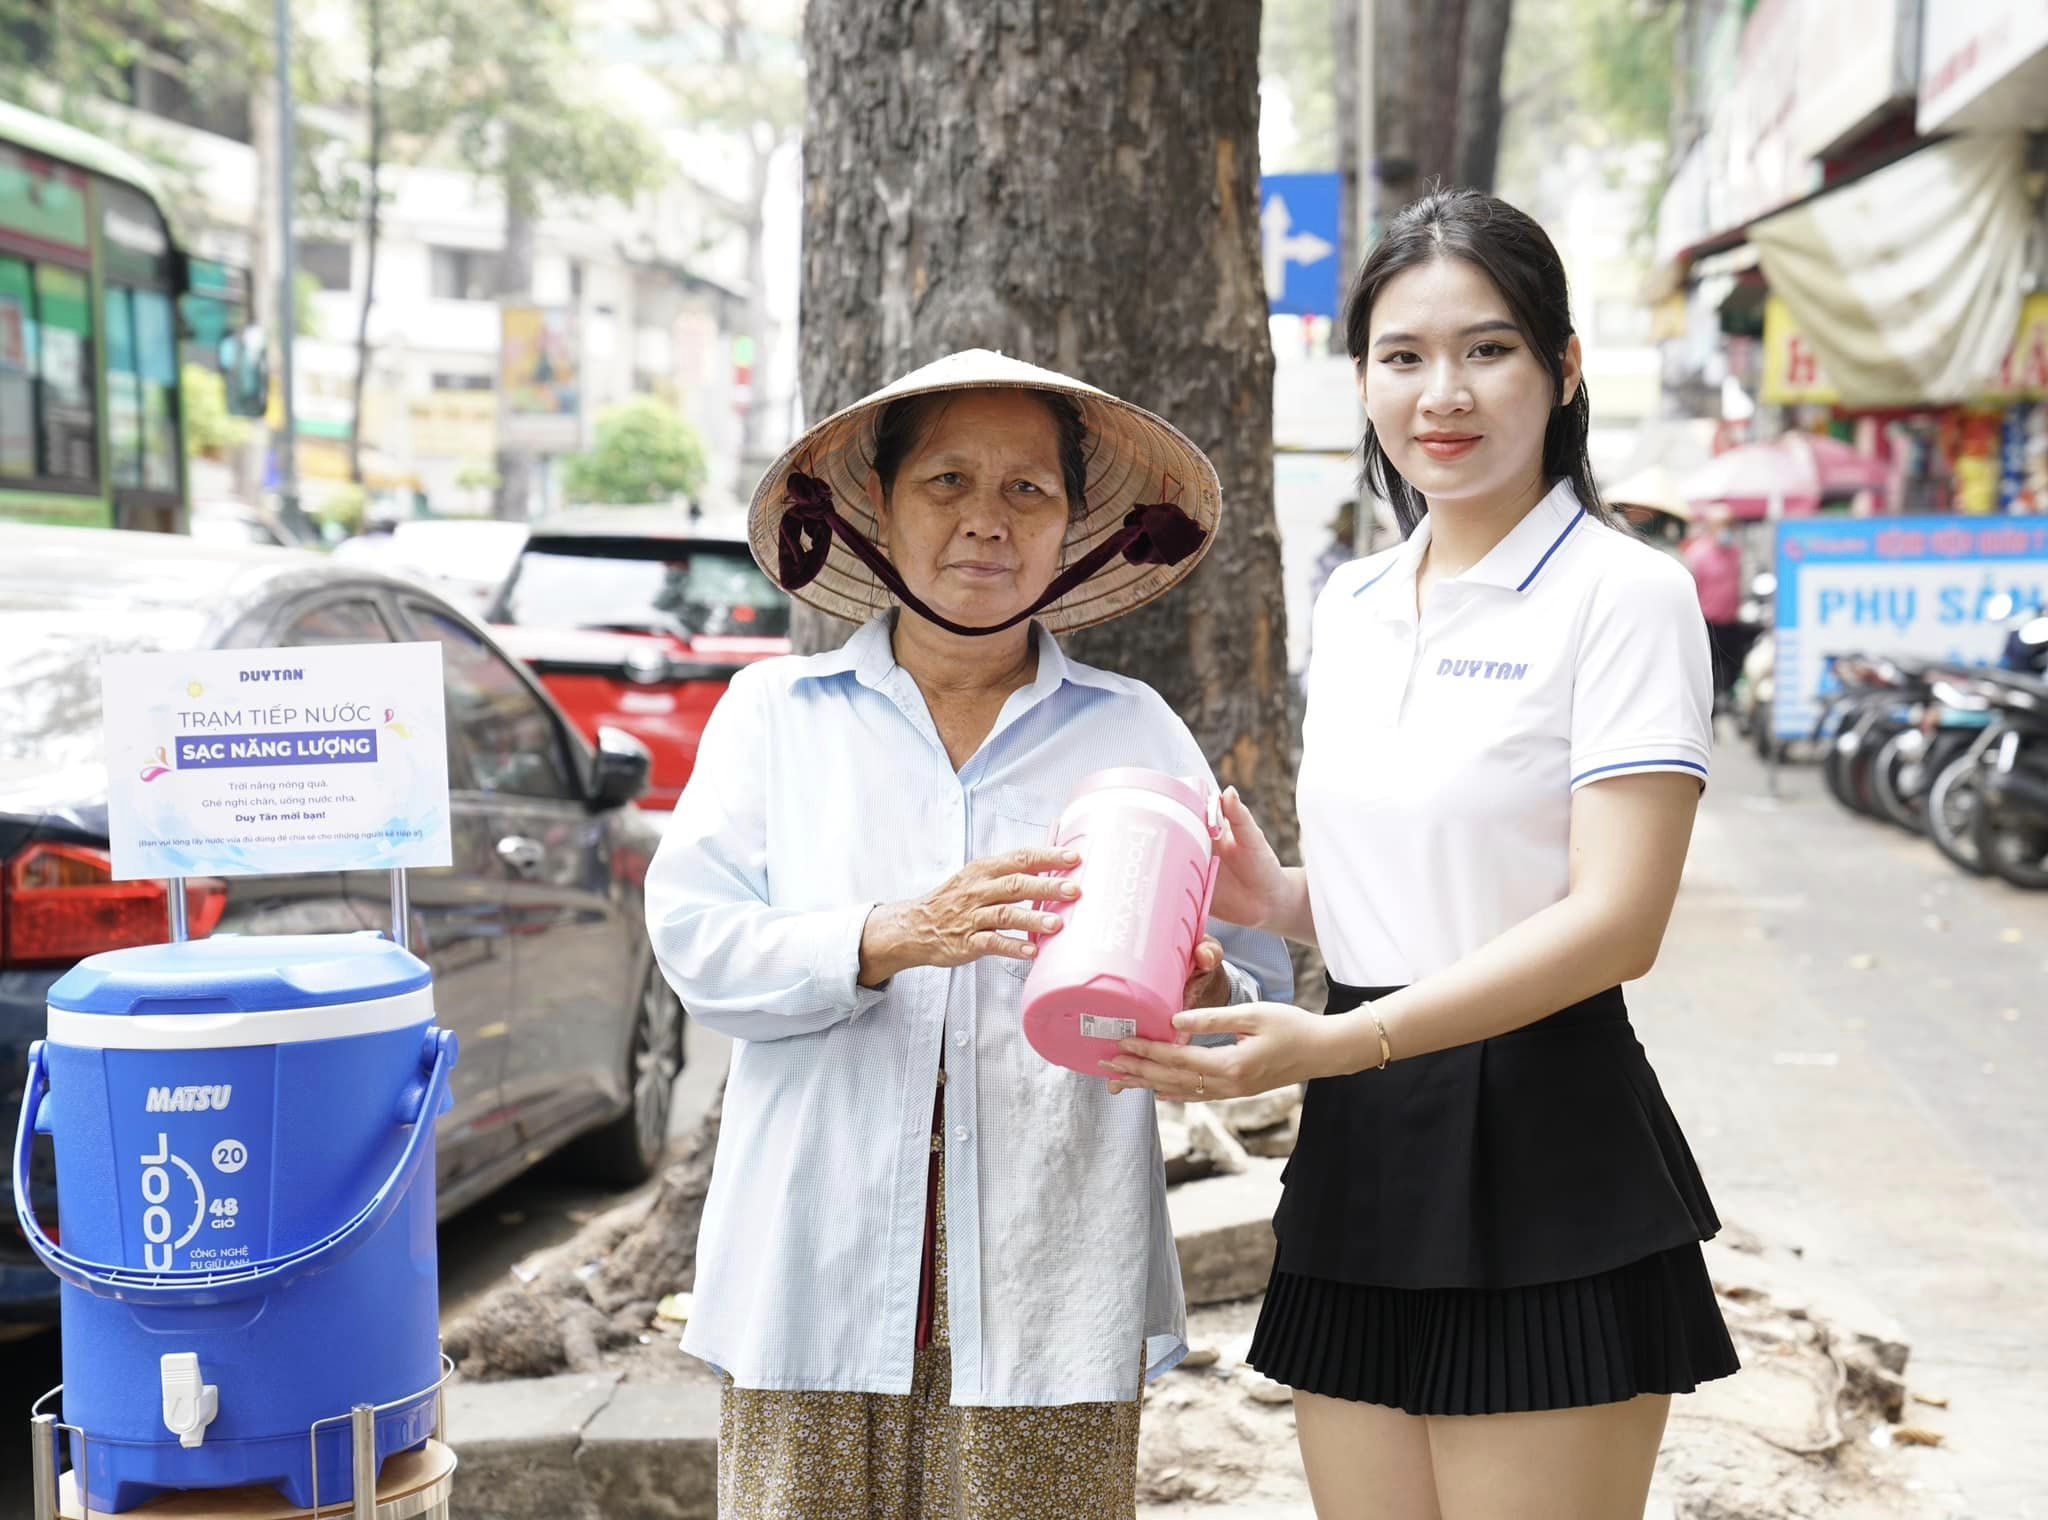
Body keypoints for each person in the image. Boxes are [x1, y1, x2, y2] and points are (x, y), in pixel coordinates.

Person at [1103, 190, 1738, 1520]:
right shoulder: (1357, 602)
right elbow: (1429, 883)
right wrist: (1278, 899)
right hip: (1364, 1140)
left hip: (1544, 1132)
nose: (1442, 393)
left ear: (1564, 370)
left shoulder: (1624, 596)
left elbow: (1617, 921)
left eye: (1488, 349)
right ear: (1362, 383)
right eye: (1403, 357)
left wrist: (1335, 1043)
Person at [644, 349, 1291, 1519]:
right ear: (877, 509)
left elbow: (1247, 969)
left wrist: (1199, 982)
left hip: (1048, 1276)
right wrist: (888, 934)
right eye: (946, 481)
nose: (985, 521)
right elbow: (695, 941)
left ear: (1069, 526)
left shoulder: (1131, 731)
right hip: (812, 1270)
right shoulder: (777, 720)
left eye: (1026, 490)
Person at [1684, 503, 1750, 709]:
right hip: (1707, 623)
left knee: (1734, 669)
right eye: (1722, 524)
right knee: (1709, 673)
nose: (1726, 529)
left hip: (1732, 621)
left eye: (1730, 524)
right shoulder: (1697, 554)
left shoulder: (1736, 553)